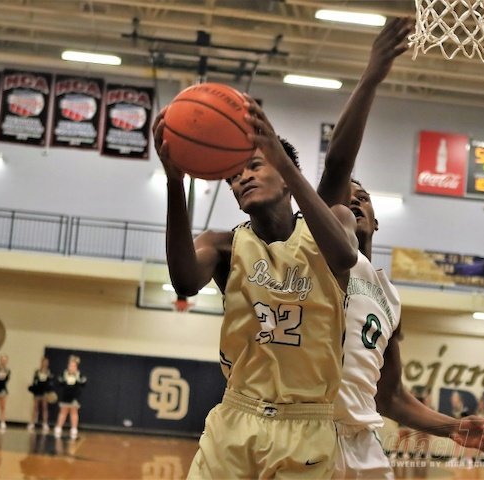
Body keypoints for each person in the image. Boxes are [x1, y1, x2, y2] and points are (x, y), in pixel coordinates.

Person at [316, 17, 484, 479]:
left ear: (377, 219)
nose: (354, 200)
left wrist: (452, 426)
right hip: (310, 436)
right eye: (345, 195)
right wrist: (371, 77)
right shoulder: (318, 258)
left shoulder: (389, 296)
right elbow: (338, 162)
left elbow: (391, 397)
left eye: (364, 196)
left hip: (363, 445)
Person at [152, 91, 358, 478]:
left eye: (254, 166)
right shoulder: (224, 245)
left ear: (285, 175)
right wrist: (175, 182)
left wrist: (285, 163)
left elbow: (346, 257)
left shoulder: (332, 226)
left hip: (306, 422)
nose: (241, 178)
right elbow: (184, 281)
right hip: (237, 416)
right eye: (233, 176)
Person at [54, 356, 87, 440]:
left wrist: (77, 377)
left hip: (74, 397)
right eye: (70, 366)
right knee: (63, 412)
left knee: (74, 412)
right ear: (68, 366)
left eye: (74, 366)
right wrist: (64, 379)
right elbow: (59, 382)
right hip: (65, 396)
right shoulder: (64, 374)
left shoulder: (79, 375)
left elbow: (83, 383)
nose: (72, 367)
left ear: (76, 367)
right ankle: (59, 427)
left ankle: (74, 429)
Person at [27, 357, 54, 433]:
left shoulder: (49, 372)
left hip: (45, 393)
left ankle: (45, 423)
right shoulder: (37, 372)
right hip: (37, 392)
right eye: (44, 362)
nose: (45, 363)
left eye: (46, 362)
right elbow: (34, 381)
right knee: (35, 408)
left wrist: (48, 391)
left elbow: (50, 383)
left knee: (44, 407)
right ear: (41, 363)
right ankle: (32, 422)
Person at [0, 355, 10, 431]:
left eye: (5, 360)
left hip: (3, 390)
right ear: (0, 360)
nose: (3, 362)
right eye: (2, 360)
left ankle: (2, 421)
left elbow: (6, 380)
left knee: (3, 407)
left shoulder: (7, 371)